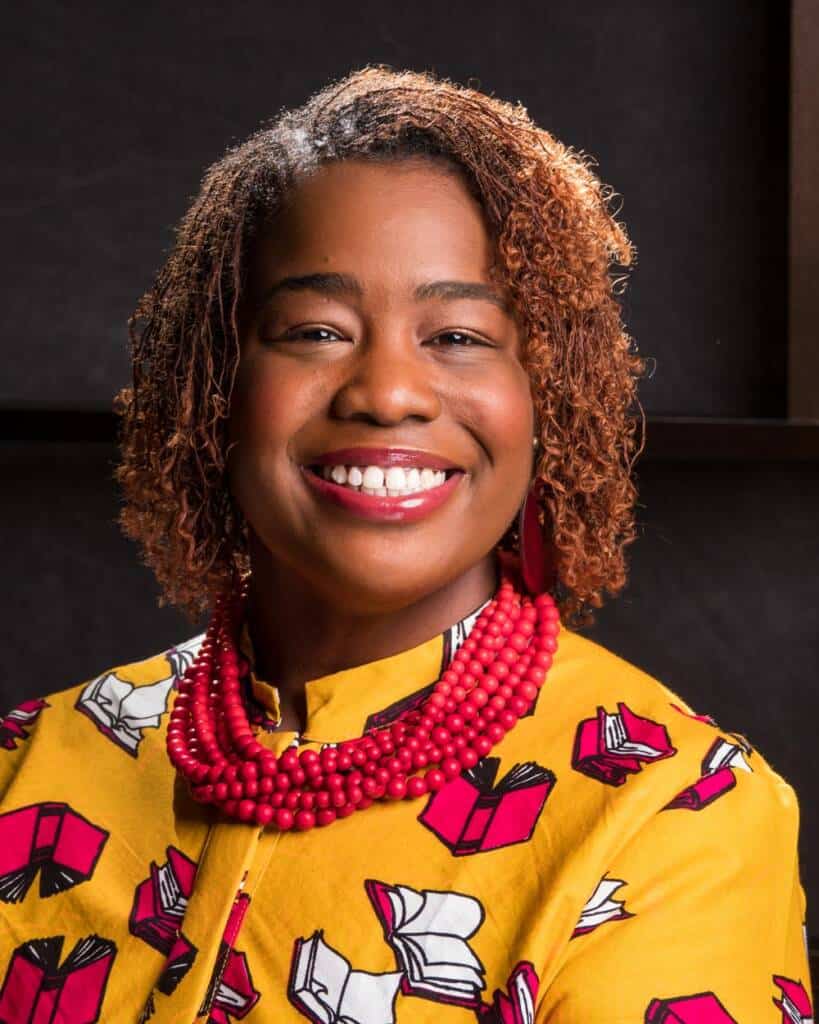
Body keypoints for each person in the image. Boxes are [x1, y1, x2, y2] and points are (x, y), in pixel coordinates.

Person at [0, 65, 812, 1024]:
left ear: (546, 395)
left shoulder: (674, 813)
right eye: (313, 329)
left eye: (460, 336)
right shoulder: (30, 763)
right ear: (213, 384)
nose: (387, 391)